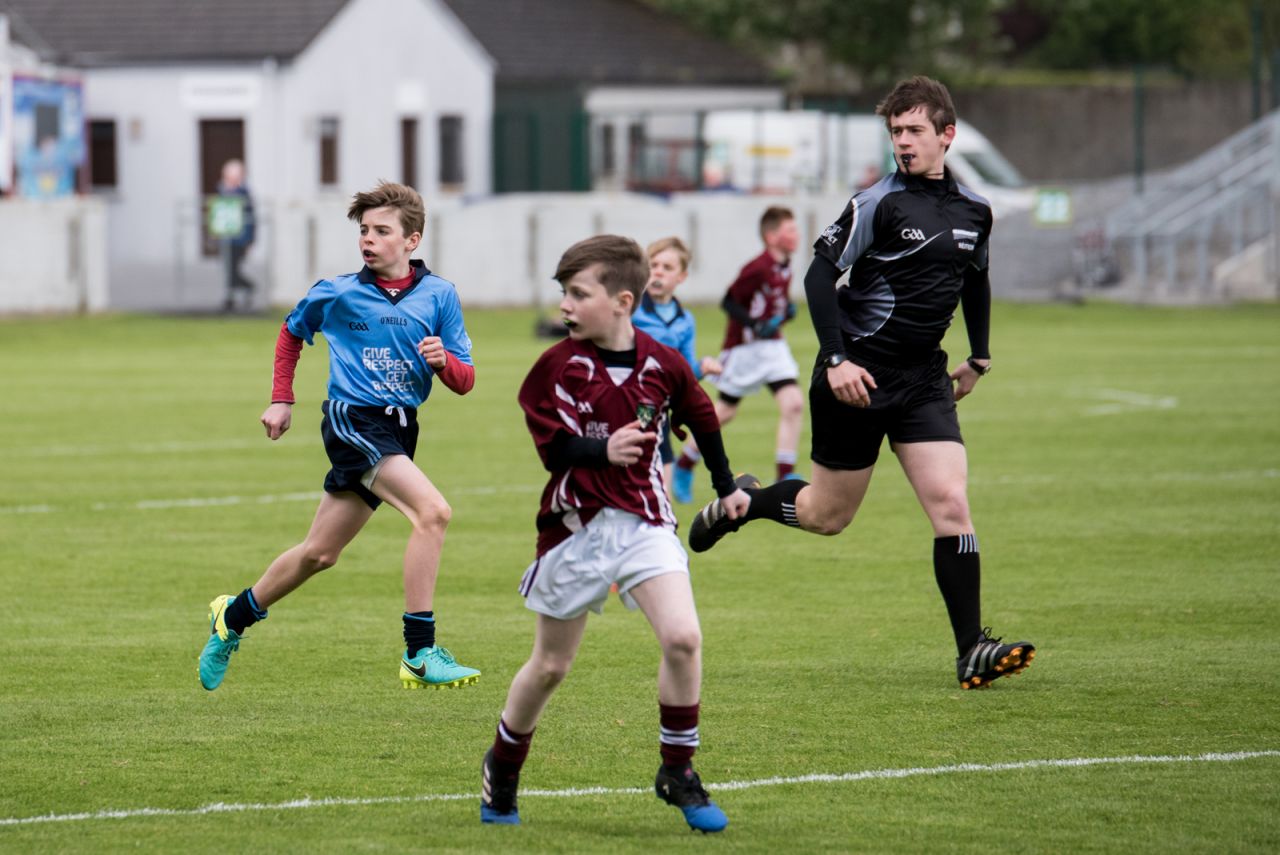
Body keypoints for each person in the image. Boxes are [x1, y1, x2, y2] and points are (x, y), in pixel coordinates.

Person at [686, 76, 1036, 691]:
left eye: (915, 131)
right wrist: (838, 358)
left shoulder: (975, 211)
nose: (903, 142)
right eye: (895, 131)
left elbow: (976, 281)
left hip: (925, 380)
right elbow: (820, 279)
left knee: (951, 505)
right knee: (827, 517)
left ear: (946, 136)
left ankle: (971, 651)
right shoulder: (878, 202)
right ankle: (745, 503)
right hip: (857, 377)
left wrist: (979, 357)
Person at [479, 235, 752, 831]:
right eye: (564, 295)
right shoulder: (556, 366)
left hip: (646, 522)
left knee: (683, 637)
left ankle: (677, 770)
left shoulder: (661, 362)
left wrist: (727, 484)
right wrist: (604, 448)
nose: (566, 307)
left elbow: (701, 412)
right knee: (550, 667)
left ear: (623, 301)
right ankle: (503, 763)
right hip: (575, 528)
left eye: (579, 294)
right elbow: (554, 450)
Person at [198, 181, 481, 692]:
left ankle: (232, 617)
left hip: (399, 428)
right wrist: (282, 398)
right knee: (433, 512)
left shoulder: (440, 295)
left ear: (412, 240)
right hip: (354, 421)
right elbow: (290, 333)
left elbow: (466, 380)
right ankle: (420, 651)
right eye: (363, 231)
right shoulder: (338, 291)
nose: (368, 240)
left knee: (319, 554)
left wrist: (444, 365)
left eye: (381, 231)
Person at [671, 207, 805, 502]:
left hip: (773, 349)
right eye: (790, 230)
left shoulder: (786, 264)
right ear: (772, 237)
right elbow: (729, 302)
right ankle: (684, 463)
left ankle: (785, 475)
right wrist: (755, 324)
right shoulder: (756, 267)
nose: (796, 235)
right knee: (725, 412)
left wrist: (784, 313)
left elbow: (769, 304)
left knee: (794, 403)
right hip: (744, 350)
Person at [631, 236, 723, 499]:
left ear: (681, 276)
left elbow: (684, 372)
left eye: (667, 267)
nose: (658, 271)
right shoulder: (632, 310)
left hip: (658, 405)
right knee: (636, 452)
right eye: (653, 265)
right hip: (629, 397)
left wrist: (703, 367)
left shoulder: (685, 320)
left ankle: (663, 511)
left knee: (661, 456)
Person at [217, 159, 257, 313]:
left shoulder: (243, 193)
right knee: (229, 268)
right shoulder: (222, 191)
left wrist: (250, 239)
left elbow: (251, 218)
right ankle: (232, 296)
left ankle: (242, 290)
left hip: (239, 239)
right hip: (226, 237)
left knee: (233, 268)